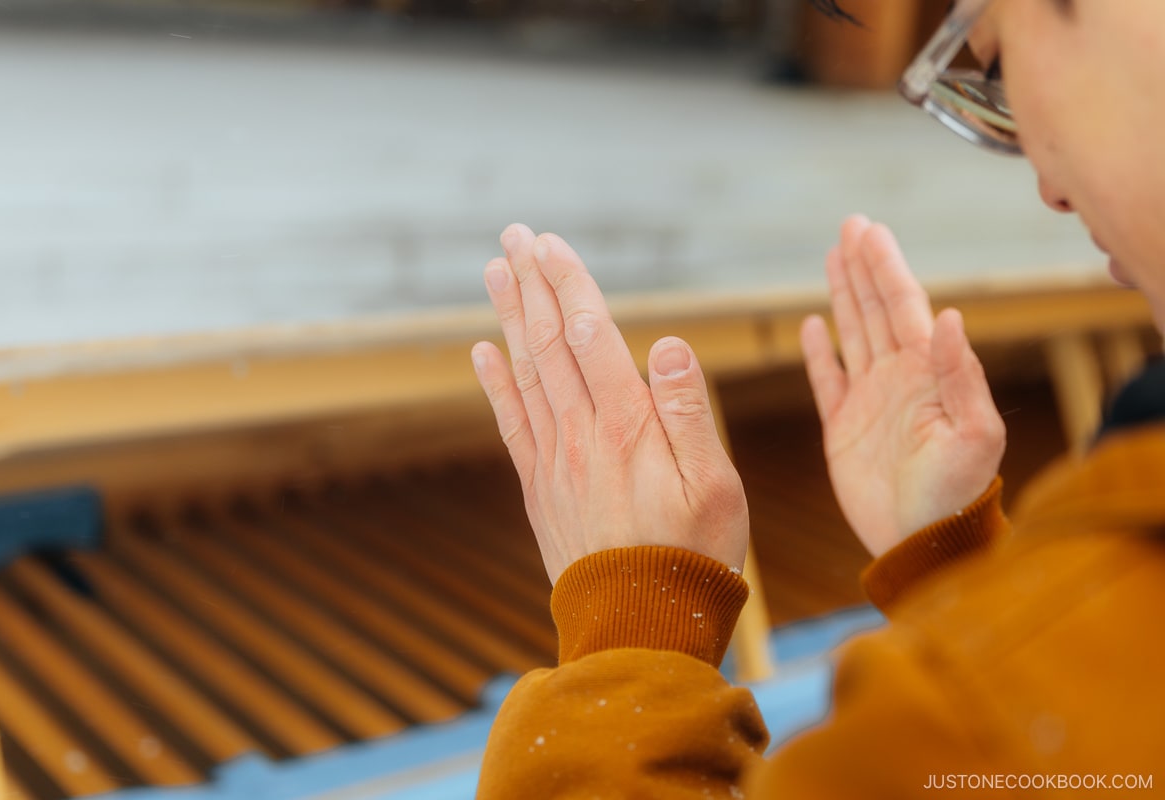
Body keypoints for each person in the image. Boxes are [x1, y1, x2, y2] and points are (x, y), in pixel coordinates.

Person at [469, 0, 1165, 796]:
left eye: (997, 65)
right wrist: (960, 573)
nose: (1046, 183)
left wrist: (628, 630)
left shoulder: (978, 717)